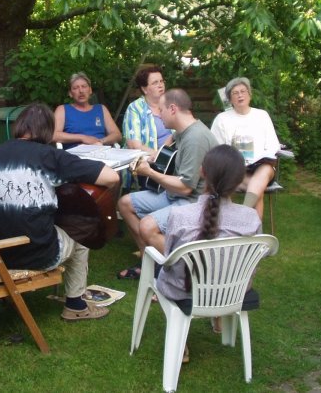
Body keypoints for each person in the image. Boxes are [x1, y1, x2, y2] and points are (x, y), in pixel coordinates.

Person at [0, 103, 120, 321]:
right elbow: (111, 177)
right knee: (82, 236)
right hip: (35, 254)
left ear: (19, 126)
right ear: (48, 130)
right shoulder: (50, 156)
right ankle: (76, 305)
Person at [156, 144, 262, 347]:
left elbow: (168, 259)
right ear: (240, 179)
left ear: (202, 172)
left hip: (184, 291)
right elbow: (259, 255)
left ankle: (180, 345)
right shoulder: (251, 218)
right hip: (234, 292)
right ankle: (220, 319)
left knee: (158, 266)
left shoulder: (180, 215)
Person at [117, 88, 218, 279]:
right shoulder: (183, 130)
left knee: (147, 226)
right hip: (174, 193)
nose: (159, 115)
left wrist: (149, 172)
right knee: (125, 203)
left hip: (193, 201)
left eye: (161, 110)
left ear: (173, 109)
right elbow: (167, 149)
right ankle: (150, 263)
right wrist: (152, 159)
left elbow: (186, 187)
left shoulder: (196, 139)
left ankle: (189, 270)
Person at [210, 77, 281, 219]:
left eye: (243, 91)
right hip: (235, 170)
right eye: (235, 93)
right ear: (230, 98)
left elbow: (273, 145)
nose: (240, 95)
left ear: (250, 94)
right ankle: (254, 228)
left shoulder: (262, 115)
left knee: (263, 171)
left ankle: (243, 215)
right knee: (256, 189)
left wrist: (262, 157)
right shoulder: (222, 119)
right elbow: (216, 150)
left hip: (262, 168)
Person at [53, 72, 122, 150]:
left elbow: (117, 135)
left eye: (84, 86)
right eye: (75, 88)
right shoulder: (62, 109)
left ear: (90, 90)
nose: (81, 91)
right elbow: (53, 135)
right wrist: (83, 138)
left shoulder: (101, 109)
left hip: (101, 151)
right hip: (74, 154)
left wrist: (100, 141)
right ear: (70, 93)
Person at [122, 65, 174, 156]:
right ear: (144, 89)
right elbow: (134, 145)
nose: (160, 85)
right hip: (147, 160)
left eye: (161, 81)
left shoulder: (171, 104)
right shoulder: (135, 108)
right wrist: (160, 156)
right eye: (155, 83)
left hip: (173, 156)